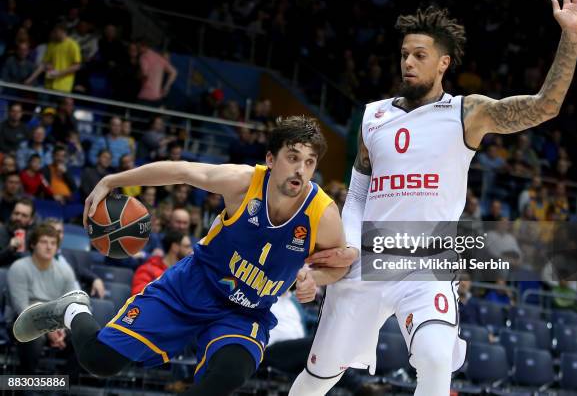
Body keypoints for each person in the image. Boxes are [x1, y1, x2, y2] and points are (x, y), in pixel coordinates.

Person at [290, 0, 577, 396]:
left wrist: (570, 36)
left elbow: (545, 105)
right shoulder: (373, 116)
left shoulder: (467, 113)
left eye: (420, 56)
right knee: (319, 375)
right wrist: (351, 244)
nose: (408, 63)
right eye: (404, 55)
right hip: (368, 257)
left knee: (434, 358)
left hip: (426, 260)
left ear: (443, 63)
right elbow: (358, 192)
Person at [13, 116, 356, 396]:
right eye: (292, 157)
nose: (300, 169)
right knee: (100, 361)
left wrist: (314, 278)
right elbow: (180, 171)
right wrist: (112, 179)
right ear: (271, 159)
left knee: (229, 375)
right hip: (191, 287)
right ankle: (72, 308)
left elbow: (338, 267)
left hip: (244, 312)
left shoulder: (323, 215)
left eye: (309, 162)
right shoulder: (242, 183)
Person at [7, 223, 78, 373]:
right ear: (33, 244)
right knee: (33, 337)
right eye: (44, 242)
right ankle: (26, 385)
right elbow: (22, 308)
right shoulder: (19, 268)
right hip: (23, 320)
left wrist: (61, 328)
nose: (49, 247)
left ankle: (59, 385)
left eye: (53, 243)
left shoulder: (65, 271)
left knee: (84, 337)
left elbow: (71, 305)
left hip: (56, 321)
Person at [25, 22, 82, 92]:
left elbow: (77, 66)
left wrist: (59, 73)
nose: (54, 34)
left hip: (63, 87)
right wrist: (30, 79)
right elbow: (43, 65)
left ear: (62, 31)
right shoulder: (51, 45)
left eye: (56, 32)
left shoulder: (73, 45)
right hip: (48, 85)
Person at [131, 230, 192, 295]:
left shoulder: (188, 272)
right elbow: (139, 296)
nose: (191, 251)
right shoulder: (148, 270)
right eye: (186, 247)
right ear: (175, 247)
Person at [0, 198, 36, 266]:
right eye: (16, 213)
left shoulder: (34, 235)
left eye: (24, 215)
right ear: (11, 214)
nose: (18, 218)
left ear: (31, 220)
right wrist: (9, 249)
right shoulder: (1, 232)